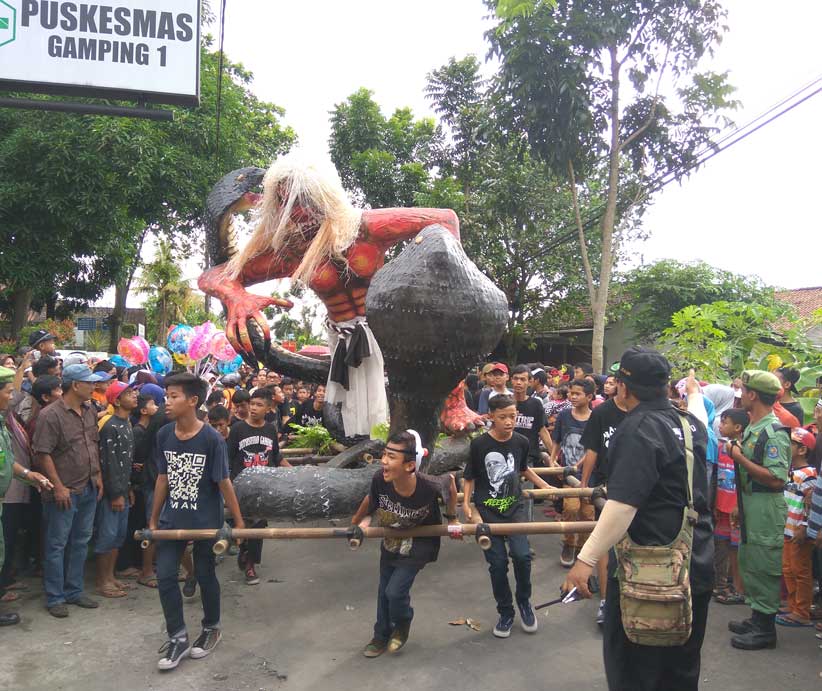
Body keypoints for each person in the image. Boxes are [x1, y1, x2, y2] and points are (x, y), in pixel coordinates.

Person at [563, 346, 712, 691]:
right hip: (693, 565)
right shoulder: (690, 425)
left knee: (635, 672)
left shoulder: (638, 427)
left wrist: (584, 561)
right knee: (681, 670)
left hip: (647, 574)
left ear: (625, 388)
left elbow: (623, 506)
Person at [150, 373, 246, 671]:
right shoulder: (164, 434)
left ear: (193, 401)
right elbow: (163, 478)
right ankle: (177, 636)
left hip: (206, 522)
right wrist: (153, 519)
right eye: (167, 396)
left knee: (205, 575)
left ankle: (211, 627)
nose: (167, 401)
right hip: (171, 520)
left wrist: (239, 524)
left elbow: (224, 483)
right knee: (166, 576)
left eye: (173, 396)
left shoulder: (212, 439)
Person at [351, 430, 460, 657]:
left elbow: (450, 483)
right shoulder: (380, 480)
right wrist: (360, 523)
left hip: (420, 543)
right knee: (384, 591)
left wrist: (453, 519)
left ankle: (402, 623)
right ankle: (380, 636)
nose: (384, 461)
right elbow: (370, 502)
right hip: (392, 540)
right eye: (384, 454)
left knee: (395, 592)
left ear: (410, 465)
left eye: (392, 457)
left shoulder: (428, 486)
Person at [463, 394, 556, 638]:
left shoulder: (522, 442)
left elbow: (524, 469)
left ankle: (524, 603)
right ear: (491, 417)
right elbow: (470, 476)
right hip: (487, 512)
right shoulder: (479, 445)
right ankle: (505, 612)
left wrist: (546, 486)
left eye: (512, 416)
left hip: (515, 509)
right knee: (498, 564)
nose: (508, 421)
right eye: (502, 417)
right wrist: (465, 503)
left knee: (522, 557)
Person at [33, 364, 108, 618]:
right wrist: (59, 487)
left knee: (80, 541)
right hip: (64, 491)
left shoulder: (89, 410)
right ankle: (55, 597)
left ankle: (74, 591)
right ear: (76, 385)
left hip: (86, 486)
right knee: (57, 543)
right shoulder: (50, 415)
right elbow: (43, 454)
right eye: (89, 383)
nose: (94, 386)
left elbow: (91, 445)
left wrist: (96, 475)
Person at [727, 370, 791, 650]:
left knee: (764, 564)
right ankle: (757, 616)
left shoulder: (773, 432)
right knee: (750, 560)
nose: (740, 395)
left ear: (753, 395)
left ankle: (765, 630)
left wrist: (739, 457)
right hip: (752, 502)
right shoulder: (755, 427)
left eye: (743, 390)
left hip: (766, 505)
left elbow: (777, 477)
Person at [0, 366, 53, 626]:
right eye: (8, 392)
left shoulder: (3, 422)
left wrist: (27, 474)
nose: (12, 397)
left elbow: (6, 459)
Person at [226, 387, 291, 585]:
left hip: (264, 487)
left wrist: (291, 470)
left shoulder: (271, 429)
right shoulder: (237, 429)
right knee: (243, 524)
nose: (253, 408)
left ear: (268, 408)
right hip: (242, 488)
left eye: (259, 405)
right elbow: (228, 459)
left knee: (259, 526)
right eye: (252, 404)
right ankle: (245, 551)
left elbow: (275, 455)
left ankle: (250, 565)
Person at [578, 377, 629, 625]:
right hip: (607, 486)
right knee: (606, 543)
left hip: (636, 489)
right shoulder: (603, 413)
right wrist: (584, 485)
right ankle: (606, 602)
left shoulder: (646, 412)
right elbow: (593, 450)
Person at [94, 381, 138, 599]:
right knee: (107, 535)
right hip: (113, 493)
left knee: (118, 536)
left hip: (123, 489)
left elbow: (126, 462)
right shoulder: (110, 425)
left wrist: (127, 488)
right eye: (129, 393)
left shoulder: (127, 423)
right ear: (117, 400)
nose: (135, 395)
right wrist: (116, 494)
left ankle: (111, 576)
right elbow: (108, 462)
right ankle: (102, 581)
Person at [551, 378, 594, 567]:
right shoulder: (564, 416)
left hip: (589, 474)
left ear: (590, 397)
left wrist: (578, 465)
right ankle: (568, 543)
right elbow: (557, 440)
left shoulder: (595, 419)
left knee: (588, 512)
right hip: (568, 473)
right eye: (571, 393)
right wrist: (553, 460)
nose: (572, 397)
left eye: (577, 394)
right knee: (570, 508)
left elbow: (593, 448)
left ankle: (583, 548)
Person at [776, 427, 817, 626]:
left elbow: (810, 504)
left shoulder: (809, 474)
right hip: (787, 528)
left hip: (799, 530)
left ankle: (802, 611)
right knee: (788, 569)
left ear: (802, 450)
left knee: (800, 570)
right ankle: (793, 606)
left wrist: (804, 525)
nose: (786, 446)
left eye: (791, 444)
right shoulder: (789, 470)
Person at [712, 408, 748, 605]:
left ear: (737, 427)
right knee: (721, 545)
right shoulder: (721, 448)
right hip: (721, 507)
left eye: (725, 422)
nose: (720, 425)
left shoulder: (744, 450)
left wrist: (736, 505)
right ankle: (721, 584)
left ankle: (739, 588)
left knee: (736, 550)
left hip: (736, 509)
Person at [510, 365, 553, 465]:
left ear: (530, 381)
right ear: (511, 380)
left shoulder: (536, 404)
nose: (518, 382)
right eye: (516, 379)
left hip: (529, 456)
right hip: (508, 454)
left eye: (522, 379)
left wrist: (553, 457)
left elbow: (542, 431)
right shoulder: (504, 403)